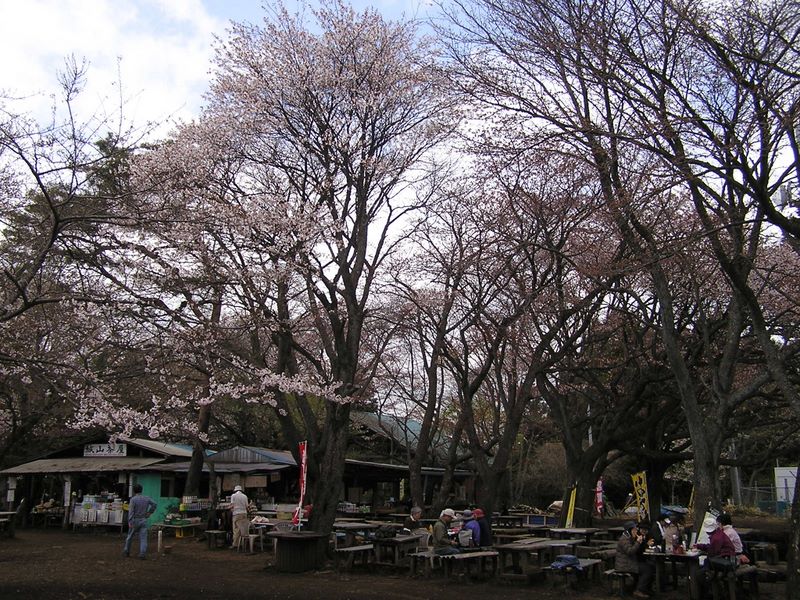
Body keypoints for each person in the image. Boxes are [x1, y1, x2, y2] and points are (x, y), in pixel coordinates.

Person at [615, 520, 655, 598]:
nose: (636, 531)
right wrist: (638, 542)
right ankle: (639, 590)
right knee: (647, 569)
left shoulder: (630, 537)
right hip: (624, 565)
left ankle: (645, 588)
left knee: (650, 566)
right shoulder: (624, 539)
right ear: (629, 530)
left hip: (630, 562)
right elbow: (630, 551)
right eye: (634, 530)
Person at [123, 483, 157, 559]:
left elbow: (131, 512)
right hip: (143, 519)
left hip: (135, 520)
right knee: (143, 538)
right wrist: (149, 512)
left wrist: (130, 522)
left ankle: (126, 551)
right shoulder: (146, 498)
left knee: (130, 536)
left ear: (134, 491)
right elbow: (154, 504)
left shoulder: (133, 499)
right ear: (141, 490)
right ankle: (142, 554)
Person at [230, 484, 249, 550]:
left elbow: (232, 505)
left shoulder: (233, 496)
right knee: (243, 529)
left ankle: (235, 544)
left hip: (236, 514)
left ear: (235, 490)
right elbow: (247, 506)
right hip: (244, 513)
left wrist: (230, 509)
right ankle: (243, 543)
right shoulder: (245, 496)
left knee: (236, 529)